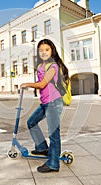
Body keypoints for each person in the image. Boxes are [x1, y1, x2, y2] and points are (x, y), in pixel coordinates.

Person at [20, 38, 69, 173]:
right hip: (45, 102)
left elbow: (42, 84)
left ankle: (53, 163)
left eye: (46, 49)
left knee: (54, 133)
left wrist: (27, 84)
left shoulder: (53, 66)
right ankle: (42, 148)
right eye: (41, 50)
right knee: (31, 122)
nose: (44, 52)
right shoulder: (41, 66)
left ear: (52, 51)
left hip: (54, 102)